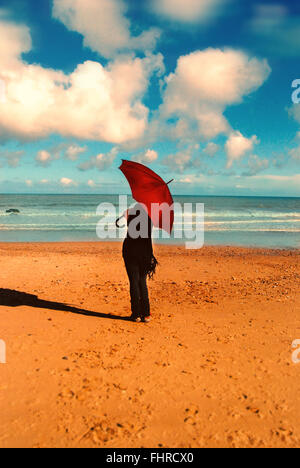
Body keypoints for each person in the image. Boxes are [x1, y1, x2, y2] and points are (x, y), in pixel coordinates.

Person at [116, 203, 158, 323]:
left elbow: (120, 222)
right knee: (142, 281)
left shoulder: (129, 212)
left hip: (131, 250)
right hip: (145, 251)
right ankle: (146, 314)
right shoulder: (152, 215)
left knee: (134, 281)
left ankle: (136, 314)